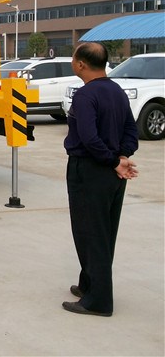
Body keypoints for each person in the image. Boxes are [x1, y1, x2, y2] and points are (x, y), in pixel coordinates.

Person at [62, 42, 138, 317]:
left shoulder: (86, 95)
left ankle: (98, 300)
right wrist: (121, 157)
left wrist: (112, 160)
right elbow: (131, 129)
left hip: (90, 170)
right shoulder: (116, 91)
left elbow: (88, 137)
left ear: (81, 63)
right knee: (104, 232)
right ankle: (89, 284)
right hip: (111, 173)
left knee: (90, 233)